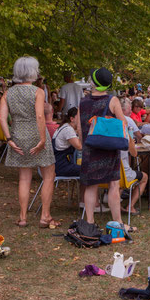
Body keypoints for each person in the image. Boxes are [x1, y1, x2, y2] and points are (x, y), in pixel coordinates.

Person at [0, 57, 57, 228]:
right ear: (33, 71)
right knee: (48, 175)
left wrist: (8, 138)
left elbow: (2, 118)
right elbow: (40, 116)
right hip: (36, 134)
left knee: (24, 177)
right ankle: (45, 216)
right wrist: (43, 139)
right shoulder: (38, 91)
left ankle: (23, 217)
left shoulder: (8, 93)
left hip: (17, 135)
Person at [79, 67, 133, 231]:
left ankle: (89, 222)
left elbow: (81, 128)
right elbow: (124, 123)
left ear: (93, 82)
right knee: (113, 185)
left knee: (91, 186)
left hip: (90, 147)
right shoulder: (112, 100)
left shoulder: (83, 101)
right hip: (109, 148)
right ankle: (118, 222)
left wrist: (83, 146)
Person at [52, 107, 81, 177]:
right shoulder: (68, 130)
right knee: (88, 169)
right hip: (61, 167)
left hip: (58, 165)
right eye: (80, 118)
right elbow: (80, 147)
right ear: (72, 119)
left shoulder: (65, 126)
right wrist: (80, 129)